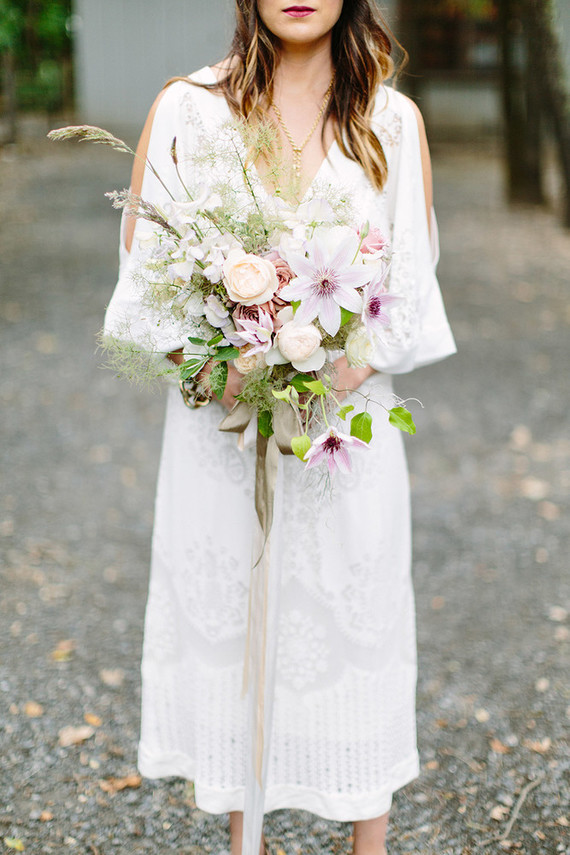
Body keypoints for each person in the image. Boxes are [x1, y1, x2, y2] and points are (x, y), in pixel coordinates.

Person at [103, 2, 456, 853]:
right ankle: (244, 839)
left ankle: (368, 842)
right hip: (223, 436)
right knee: (236, 621)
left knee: (355, 609)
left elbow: (406, 289)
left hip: (345, 434)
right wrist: (233, 365)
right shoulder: (187, 107)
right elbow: (144, 277)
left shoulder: (392, 121)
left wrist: (329, 368)